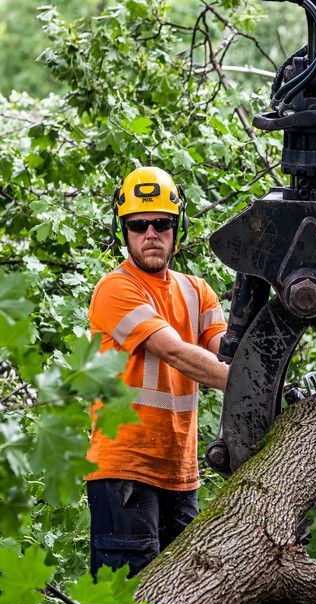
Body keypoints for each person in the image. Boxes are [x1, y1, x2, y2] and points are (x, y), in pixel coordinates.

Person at [85, 166, 229, 577]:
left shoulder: (196, 290)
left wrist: (269, 374)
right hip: (125, 468)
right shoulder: (115, 289)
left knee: (184, 596)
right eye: (138, 225)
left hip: (180, 472)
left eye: (161, 223)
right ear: (124, 231)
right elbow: (175, 352)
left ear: (176, 227)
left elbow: (227, 349)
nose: (151, 233)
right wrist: (248, 383)